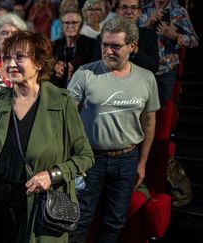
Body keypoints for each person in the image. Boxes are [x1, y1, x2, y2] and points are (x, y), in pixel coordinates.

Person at [0, 30, 94, 243]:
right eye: (7, 57)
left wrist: (52, 175)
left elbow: (85, 156)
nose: (11, 64)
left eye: (20, 57)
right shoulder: (0, 100)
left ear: (38, 63)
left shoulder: (61, 101)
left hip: (38, 208)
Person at [67, 16, 160, 243]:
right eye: (104, 45)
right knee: (79, 219)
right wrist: (72, 159)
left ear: (132, 47)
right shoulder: (85, 73)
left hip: (127, 159)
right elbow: (66, 120)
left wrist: (142, 162)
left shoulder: (147, 78)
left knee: (114, 221)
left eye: (116, 46)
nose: (108, 51)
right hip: (89, 158)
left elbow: (149, 122)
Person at [139, 0, 199, 106]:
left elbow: (194, 40)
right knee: (140, 108)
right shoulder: (142, 8)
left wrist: (175, 36)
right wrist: (148, 22)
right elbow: (129, 37)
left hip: (165, 71)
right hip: (143, 69)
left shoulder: (179, 11)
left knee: (162, 110)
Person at [94, 0, 159, 74]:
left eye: (134, 8)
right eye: (124, 7)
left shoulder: (149, 35)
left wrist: (135, 50)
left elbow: (154, 67)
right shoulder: (105, 36)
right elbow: (97, 65)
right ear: (117, 11)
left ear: (139, 12)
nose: (129, 12)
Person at [52, 7, 96, 88]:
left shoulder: (92, 44)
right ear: (62, 25)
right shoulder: (55, 45)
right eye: (67, 23)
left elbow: (94, 70)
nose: (70, 26)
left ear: (81, 24)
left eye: (74, 22)